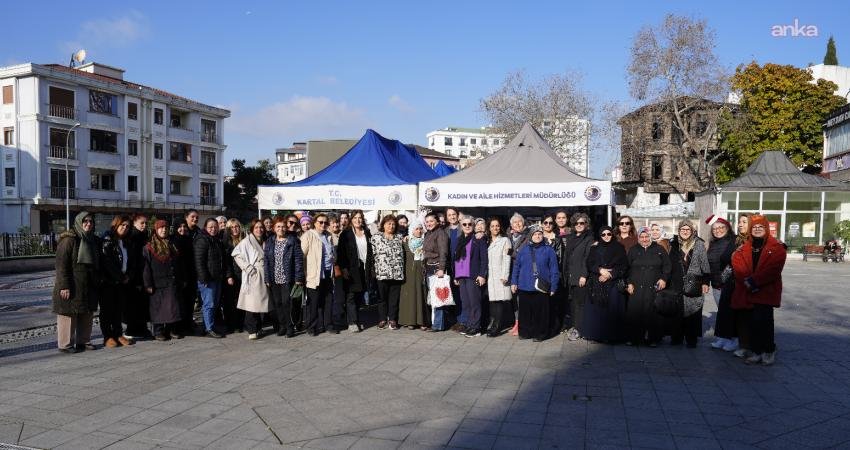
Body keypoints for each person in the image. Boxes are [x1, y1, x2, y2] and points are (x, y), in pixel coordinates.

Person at [731, 215, 786, 366]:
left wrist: (754, 281)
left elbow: (774, 269)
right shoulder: (743, 248)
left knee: (765, 322)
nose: (757, 229)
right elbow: (738, 265)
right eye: (754, 227)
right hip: (748, 290)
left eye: (760, 227)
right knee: (752, 322)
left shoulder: (777, 247)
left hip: (766, 290)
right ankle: (756, 351)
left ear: (766, 229)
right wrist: (747, 282)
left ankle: (768, 350)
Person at [53, 211, 100, 353]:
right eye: (85, 221)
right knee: (68, 314)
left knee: (86, 313)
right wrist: (64, 286)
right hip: (72, 284)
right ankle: (65, 344)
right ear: (79, 222)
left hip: (88, 284)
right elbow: (61, 265)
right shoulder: (69, 240)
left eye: (91, 221)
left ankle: (83, 341)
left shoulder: (92, 240)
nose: (88, 224)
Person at [511, 227, 559, 342]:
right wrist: (514, 282)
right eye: (535, 234)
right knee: (525, 312)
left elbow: (554, 269)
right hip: (524, 285)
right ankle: (525, 332)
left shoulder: (549, 250)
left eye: (539, 234)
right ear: (530, 236)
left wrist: (554, 286)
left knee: (541, 313)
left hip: (541, 287)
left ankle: (540, 334)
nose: (537, 236)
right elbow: (516, 266)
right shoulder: (523, 250)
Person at [626, 227, 671, 347]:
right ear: (638, 238)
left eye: (646, 236)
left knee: (652, 312)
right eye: (642, 237)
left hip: (653, 285)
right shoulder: (633, 250)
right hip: (636, 286)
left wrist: (664, 278)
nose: (644, 239)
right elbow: (627, 268)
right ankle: (634, 338)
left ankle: (653, 339)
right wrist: (628, 283)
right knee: (634, 312)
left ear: (650, 237)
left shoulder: (659, 249)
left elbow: (667, 266)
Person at [669, 219, 710, 348]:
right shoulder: (674, 244)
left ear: (692, 231)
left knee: (694, 311)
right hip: (677, 282)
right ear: (679, 231)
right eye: (682, 229)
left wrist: (705, 282)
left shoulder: (699, 244)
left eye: (688, 229)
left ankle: (691, 339)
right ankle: (677, 337)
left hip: (694, 282)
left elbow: (705, 265)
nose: (685, 232)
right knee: (677, 311)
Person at [583, 225, 628, 343]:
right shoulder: (594, 248)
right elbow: (589, 263)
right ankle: (597, 335)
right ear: (600, 235)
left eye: (609, 234)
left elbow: (624, 265)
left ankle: (612, 336)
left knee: (612, 310)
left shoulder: (619, 247)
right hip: (597, 283)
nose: (606, 236)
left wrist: (610, 274)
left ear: (612, 235)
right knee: (598, 311)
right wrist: (600, 270)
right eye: (603, 234)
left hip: (613, 283)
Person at [264, 216, 304, 337]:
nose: (281, 229)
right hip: (274, 278)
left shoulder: (292, 241)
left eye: (283, 226)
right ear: (274, 228)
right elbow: (266, 261)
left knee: (287, 303)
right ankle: (282, 326)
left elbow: (298, 260)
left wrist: (298, 278)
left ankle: (290, 326)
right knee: (278, 303)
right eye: (278, 226)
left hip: (288, 278)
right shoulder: (270, 241)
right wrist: (267, 278)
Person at [194, 218, 234, 338]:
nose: (213, 229)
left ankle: (210, 325)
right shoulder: (202, 240)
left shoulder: (216, 240)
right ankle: (208, 328)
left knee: (214, 304)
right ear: (205, 227)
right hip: (207, 279)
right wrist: (203, 278)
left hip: (217, 278)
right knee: (209, 304)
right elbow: (199, 261)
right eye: (210, 227)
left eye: (215, 227)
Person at [143, 220, 183, 341]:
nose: (164, 230)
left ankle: (171, 330)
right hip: (157, 282)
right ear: (156, 229)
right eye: (161, 228)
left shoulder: (172, 244)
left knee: (171, 307)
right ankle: (158, 331)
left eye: (165, 228)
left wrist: (182, 278)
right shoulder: (149, 246)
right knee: (158, 308)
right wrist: (148, 284)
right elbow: (146, 267)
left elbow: (179, 263)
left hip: (171, 281)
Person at [705, 215, 738, 352]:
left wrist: (724, 279)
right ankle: (724, 337)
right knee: (722, 312)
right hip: (716, 283)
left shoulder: (734, 241)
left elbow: (733, 263)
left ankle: (735, 339)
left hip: (729, 283)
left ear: (727, 228)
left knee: (731, 312)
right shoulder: (713, 243)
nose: (718, 230)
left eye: (721, 227)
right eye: (715, 229)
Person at [233, 219, 270, 340]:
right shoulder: (247, 241)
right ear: (252, 229)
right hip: (253, 274)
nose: (259, 230)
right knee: (251, 303)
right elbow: (236, 254)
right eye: (256, 228)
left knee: (260, 304)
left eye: (261, 227)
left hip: (263, 273)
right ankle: (252, 329)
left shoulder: (264, 240)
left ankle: (258, 327)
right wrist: (247, 267)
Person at [100, 215, 134, 348]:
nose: (124, 228)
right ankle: (108, 336)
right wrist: (120, 277)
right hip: (108, 282)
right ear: (116, 225)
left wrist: (128, 275)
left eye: (127, 226)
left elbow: (129, 261)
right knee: (107, 310)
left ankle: (118, 334)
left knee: (118, 309)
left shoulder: (126, 241)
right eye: (122, 225)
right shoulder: (107, 240)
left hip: (122, 282)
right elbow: (107, 263)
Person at [453, 215, 488, 337]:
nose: (467, 226)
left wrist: (482, 275)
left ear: (473, 226)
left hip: (473, 275)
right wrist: (456, 276)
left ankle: (476, 327)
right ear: (461, 226)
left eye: (470, 224)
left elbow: (484, 259)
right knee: (466, 302)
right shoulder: (459, 240)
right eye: (464, 224)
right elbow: (456, 259)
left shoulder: (478, 239)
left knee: (475, 302)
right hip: (461, 275)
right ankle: (469, 324)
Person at [337, 210, 372, 332]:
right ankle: (352, 322)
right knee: (351, 295)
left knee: (359, 295)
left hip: (364, 268)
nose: (358, 220)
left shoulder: (367, 233)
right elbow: (340, 253)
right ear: (351, 219)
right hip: (351, 269)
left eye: (360, 218)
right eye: (355, 218)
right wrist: (344, 268)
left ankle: (355, 319)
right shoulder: (345, 234)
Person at [302, 213, 336, 335]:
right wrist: (303, 274)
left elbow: (332, 253)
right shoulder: (308, 235)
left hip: (328, 273)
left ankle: (328, 325)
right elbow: (302, 255)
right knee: (314, 302)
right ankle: (311, 327)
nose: (323, 224)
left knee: (328, 300)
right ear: (314, 223)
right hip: (314, 275)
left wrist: (333, 258)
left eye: (326, 222)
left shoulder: (328, 236)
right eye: (320, 222)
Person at [563, 213, 593, 341]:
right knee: (572, 303)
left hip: (580, 276)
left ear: (586, 224)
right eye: (576, 223)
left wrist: (583, 275)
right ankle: (575, 326)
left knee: (579, 304)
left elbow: (587, 258)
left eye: (582, 223)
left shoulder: (589, 238)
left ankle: (578, 329)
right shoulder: (571, 237)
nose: (579, 225)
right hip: (569, 275)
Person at [371, 215, 405, 330]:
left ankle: (392, 319)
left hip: (396, 273)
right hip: (381, 273)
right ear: (383, 225)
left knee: (394, 298)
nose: (391, 226)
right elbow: (372, 255)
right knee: (382, 298)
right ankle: (382, 319)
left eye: (393, 224)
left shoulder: (400, 237)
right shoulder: (376, 237)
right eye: (389, 223)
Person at [125, 213, 151, 340]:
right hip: (135, 276)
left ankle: (141, 327)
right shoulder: (133, 236)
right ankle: (132, 328)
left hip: (142, 273)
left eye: (146, 223)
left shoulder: (144, 235)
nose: (144, 225)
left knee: (142, 304)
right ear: (134, 223)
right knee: (134, 304)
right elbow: (132, 258)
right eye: (142, 223)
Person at [399, 220, 429, 330]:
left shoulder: (426, 241)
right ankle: (410, 320)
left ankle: (422, 321)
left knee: (421, 294)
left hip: (421, 271)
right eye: (416, 229)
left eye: (421, 228)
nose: (419, 231)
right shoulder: (406, 242)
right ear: (412, 230)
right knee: (410, 296)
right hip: (409, 272)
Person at [422, 212, 450, 331]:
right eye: (427, 221)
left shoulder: (441, 233)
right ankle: (436, 323)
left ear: (437, 222)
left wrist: (441, 269)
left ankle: (438, 325)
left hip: (437, 268)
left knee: (439, 298)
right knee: (434, 297)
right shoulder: (428, 233)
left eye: (431, 221)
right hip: (429, 268)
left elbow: (443, 252)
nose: (429, 223)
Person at [486, 217, 512, 337]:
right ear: (489, 228)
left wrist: (505, 275)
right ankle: (491, 323)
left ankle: (497, 326)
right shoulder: (487, 241)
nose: (495, 228)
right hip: (490, 276)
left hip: (500, 274)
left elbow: (508, 258)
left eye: (497, 225)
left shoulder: (505, 240)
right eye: (492, 226)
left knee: (499, 301)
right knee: (492, 301)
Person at [170, 217, 197, 336]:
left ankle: (188, 324)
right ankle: (177, 327)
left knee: (189, 303)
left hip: (190, 276)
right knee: (179, 304)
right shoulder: (173, 241)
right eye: (179, 227)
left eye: (184, 226)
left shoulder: (189, 239)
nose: (182, 229)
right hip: (179, 277)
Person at [508, 213, 530, 336]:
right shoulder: (509, 236)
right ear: (511, 225)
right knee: (514, 300)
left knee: (521, 299)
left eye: (519, 222)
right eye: (514, 222)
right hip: (511, 272)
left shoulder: (528, 236)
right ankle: (516, 322)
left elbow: (523, 254)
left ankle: (522, 323)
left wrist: (510, 253)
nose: (517, 224)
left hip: (522, 273)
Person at [222, 218, 245, 333]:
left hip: (243, 274)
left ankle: (240, 323)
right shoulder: (226, 242)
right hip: (232, 275)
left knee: (242, 300)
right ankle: (231, 324)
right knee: (231, 301)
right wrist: (229, 275)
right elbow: (226, 261)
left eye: (236, 226)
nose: (235, 229)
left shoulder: (244, 240)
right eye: (232, 227)